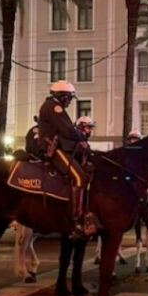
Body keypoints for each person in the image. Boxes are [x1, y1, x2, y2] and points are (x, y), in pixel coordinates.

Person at [37, 81, 95, 239]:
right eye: (69, 98)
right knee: (79, 177)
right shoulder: (53, 108)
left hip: (59, 147)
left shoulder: (54, 107)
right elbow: (66, 130)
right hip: (52, 148)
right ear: (62, 96)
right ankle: (75, 221)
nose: (69, 102)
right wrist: (82, 136)